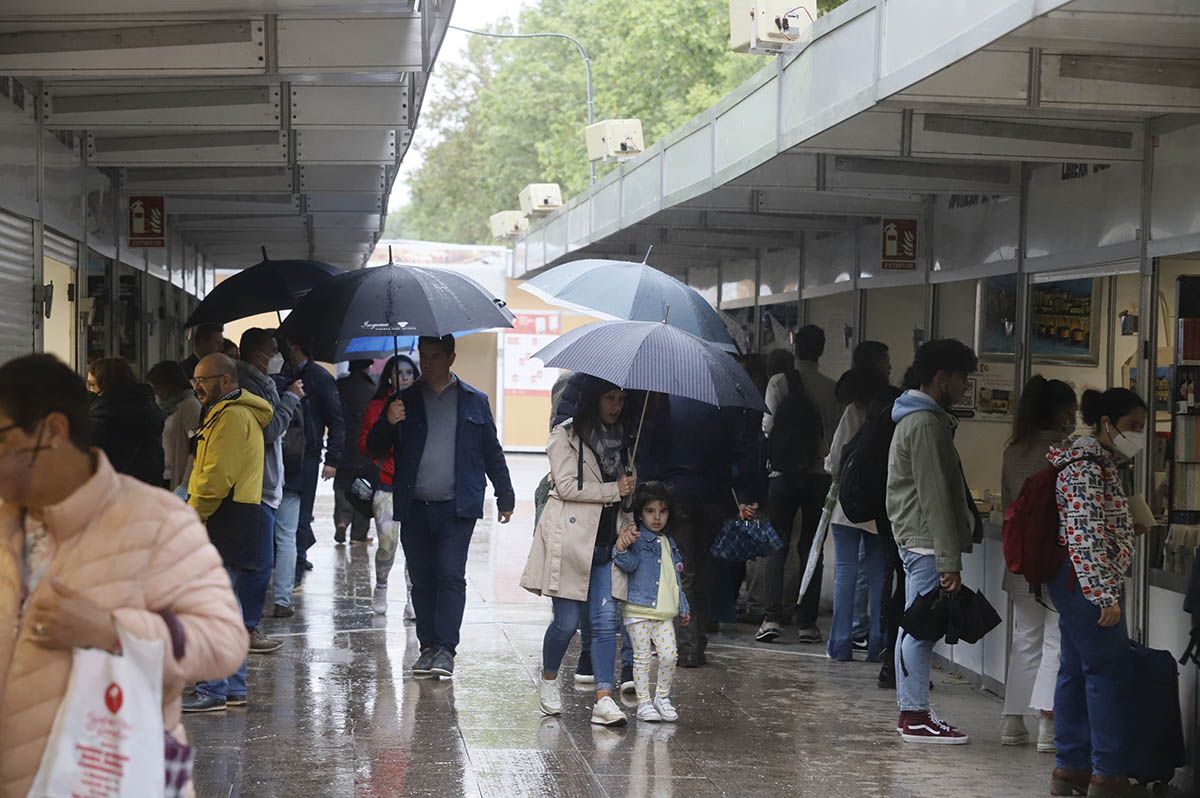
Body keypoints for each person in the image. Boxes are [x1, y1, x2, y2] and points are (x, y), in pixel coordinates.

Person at [0, 354, 246, 796]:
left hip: (108, 777)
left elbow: (223, 642)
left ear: (52, 432)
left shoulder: (157, 522)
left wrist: (112, 630)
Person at [367, 334, 514, 680]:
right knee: (421, 578)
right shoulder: (404, 400)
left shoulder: (474, 401)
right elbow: (373, 449)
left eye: (435, 356)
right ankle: (427, 647)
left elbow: (491, 451)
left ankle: (446, 648)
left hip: (456, 505)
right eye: (423, 355)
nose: (427, 362)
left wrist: (504, 494)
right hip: (414, 504)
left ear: (451, 357)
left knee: (450, 574)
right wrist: (388, 421)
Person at [1047, 388, 1148, 798]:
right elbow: (1084, 534)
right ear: (1106, 423)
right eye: (1132, 427)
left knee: (1074, 670)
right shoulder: (1087, 466)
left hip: (1077, 580)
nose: (1137, 435)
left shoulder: (1093, 462)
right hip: (1087, 580)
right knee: (1107, 673)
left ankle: (1069, 767)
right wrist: (1105, 595)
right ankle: (1107, 773)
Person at [522, 376, 635, 726]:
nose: (616, 405)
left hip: (605, 542)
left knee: (603, 623)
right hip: (572, 542)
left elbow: (625, 495)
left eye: (620, 398)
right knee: (567, 622)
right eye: (609, 398)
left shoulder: (626, 440)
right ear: (592, 400)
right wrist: (614, 489)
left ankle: (604, 698)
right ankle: (549, 677)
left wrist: (628, 502)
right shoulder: (565, 436)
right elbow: (568, 485)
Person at [889, 338, 981, 743]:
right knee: (921, 630)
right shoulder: (926, 425)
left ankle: (912, 711)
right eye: (963, 378)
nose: (966, 387)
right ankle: (914, 714)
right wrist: (949, 560)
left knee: (913, 625)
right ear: (941, 378)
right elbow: (935, 496)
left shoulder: (919, 419)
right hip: (926, 541)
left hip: (918, 538)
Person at [182, 353, 274, 713]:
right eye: (194, 381)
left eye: (202, 380)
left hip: (226, 515)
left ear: (225, 380)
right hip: (233, 514)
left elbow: (216, 478)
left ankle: (215, 689)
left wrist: (193, 514)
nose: (196, 387)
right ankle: (230, 687)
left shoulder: (232, 417)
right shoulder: (224, 413)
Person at [642, 394, 763, 666]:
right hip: (715, 497)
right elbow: (743, 450)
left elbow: (653, 449)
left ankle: (687, 647)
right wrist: (745, 493)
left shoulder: (666, 401)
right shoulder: (725, 403)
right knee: (706, 571)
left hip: (676, 494)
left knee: (683, 571)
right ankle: (698, 640)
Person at [1000, 376, 1076, 751]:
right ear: (1062, 412)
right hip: (1056, 561)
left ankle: (1013, 723)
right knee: (1055, 641)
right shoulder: (1065, 453)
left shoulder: (1012, 451)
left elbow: (1007, 508)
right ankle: (1047, 724)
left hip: (1019, 563)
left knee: (1024, 640)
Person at [758, 324, 840, 644]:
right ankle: (807, 622)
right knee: (811, 546)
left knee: (777, 544)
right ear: (821, 351)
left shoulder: (780, 382)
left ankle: (771, 617)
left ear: (795, 348)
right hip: (818, 476)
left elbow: (768, 426)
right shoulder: (832, 389)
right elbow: (833, 436)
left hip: (782, 476)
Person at [235, 328, 303, 645]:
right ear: (258, 353)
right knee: (259, 563)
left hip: (267, 482)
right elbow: (269, 429)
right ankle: (246, 627)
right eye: (273, 349)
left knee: (259, 560)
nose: (277, 355)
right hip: (255, 486)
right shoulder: (246, 385)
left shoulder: (263, 382)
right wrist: (290, 398)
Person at [825, 341, 891, 662]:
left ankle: (840, 643)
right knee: (878, 574)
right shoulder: (890, 414)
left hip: (846, 507)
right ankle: (878, 641)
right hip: (879, 506)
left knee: (846, 572)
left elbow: (835, 459)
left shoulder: (852, 413)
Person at [613, 481, 691, 723]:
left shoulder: (669, 542)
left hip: (664, 611)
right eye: (650, 511)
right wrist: (621, 548)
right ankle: (644, 701)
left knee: (669, 655)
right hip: (639, 609)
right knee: (642, 657)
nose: (657, 517)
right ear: (640, 512)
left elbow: (674, 577)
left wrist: (683, 606)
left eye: (663, 511)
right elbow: (628, 564)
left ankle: (662, 698)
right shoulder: (637, 539)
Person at [359, 353, 420, 618]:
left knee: (414, 546)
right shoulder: (378, 406)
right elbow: (365, 444)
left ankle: (412, 596)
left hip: (416, 487)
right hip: (385, 484)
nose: (404, 377)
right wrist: (389, 422)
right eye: (399, 373)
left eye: (409, 373)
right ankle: (381, 586)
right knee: (387, 543)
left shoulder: (422, 405)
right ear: (389, 377)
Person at [284, 338, 346, 585]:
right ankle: (292, 561)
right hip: (282, 453)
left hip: (307, 454)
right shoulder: (283, 375)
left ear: (295, 346)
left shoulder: (320, 378)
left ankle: (297, 565)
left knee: (301, 514)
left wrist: (332, 458)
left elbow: (336, 420)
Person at [270, 333, 309, 618]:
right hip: (292, 472)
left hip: (263, 476)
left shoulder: (262, 388)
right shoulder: (295, 386)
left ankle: (256, 598)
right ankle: (282, 599)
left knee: (266, 537)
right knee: (286, 537)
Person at [86, 357, 166, 487]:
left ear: (106, 386)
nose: (90, 391)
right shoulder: (146, 406)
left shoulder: (105, 417)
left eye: (92, 385)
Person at [335, 359, 378, 544]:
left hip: (343, 445)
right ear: (367, 367)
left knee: (343, 486)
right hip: (364, 446)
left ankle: (342, 521)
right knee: (363, 488)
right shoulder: (372, 390)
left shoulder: (339, 386)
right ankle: (358, 535)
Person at [147, 359, 201, 493]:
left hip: (176, 476)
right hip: (162, 474)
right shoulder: (165, 408)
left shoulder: (190, 406)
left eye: (158, 386)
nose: (157, 392)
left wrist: (186, 483)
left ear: (169, 384)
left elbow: (195, 447)